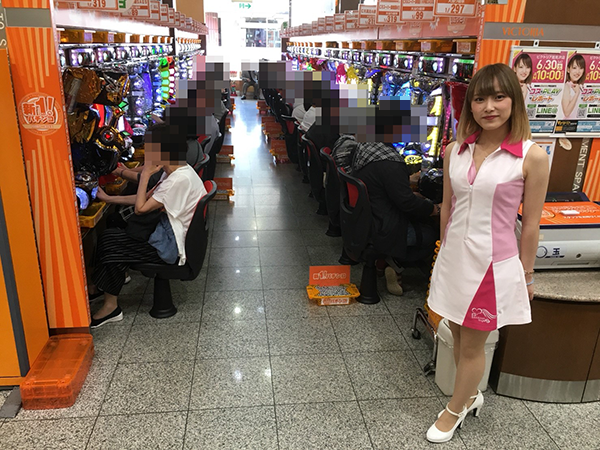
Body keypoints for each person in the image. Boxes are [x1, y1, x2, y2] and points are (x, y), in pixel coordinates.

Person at [425, 63, 548, 443]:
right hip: (454, 260)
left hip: (492, 268)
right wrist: (442, 253)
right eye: (480, 99)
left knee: (474, 343)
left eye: (498, 97)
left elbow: (530, 225)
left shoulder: (531, 156)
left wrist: (527, 276)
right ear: (469, 105)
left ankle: (454, 410)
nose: (489, 107)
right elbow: (448, 207)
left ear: (514, 101)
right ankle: (469, 396)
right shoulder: (455, 151)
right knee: (457, 333)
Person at [90, 122, 207, 328]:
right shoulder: (176, 170)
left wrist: (145, 175)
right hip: (168, 234)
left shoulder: (178, 179)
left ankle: (111, 307)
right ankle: (102, 286)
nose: (147, 153)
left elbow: (140, 208)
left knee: (111, 242)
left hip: (171, 248)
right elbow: (145, 198)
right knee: (113, 234)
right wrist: (109, 199)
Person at [352, 142, 441, 295]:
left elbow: (384, 186)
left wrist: (406, 186)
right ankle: (395, 263)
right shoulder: (390, 162)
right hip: (384, 227)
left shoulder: (366, 150)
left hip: (367, 220)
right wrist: (435, 209)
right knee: (431, 236)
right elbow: (407, 203)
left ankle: (384, 261)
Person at [562, 54, 587, 118]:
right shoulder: (566, 86)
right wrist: (577, 93)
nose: (577, 72)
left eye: (581, 68)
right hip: (569, 123)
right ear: (568, 69)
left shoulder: (581, 86)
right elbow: (566, 113)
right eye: (574, 68)